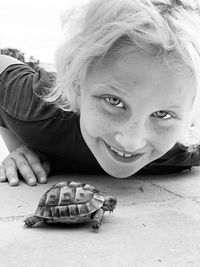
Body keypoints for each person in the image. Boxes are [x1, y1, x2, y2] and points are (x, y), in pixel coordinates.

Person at [1, 0, 200, 187]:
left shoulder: (187, 147)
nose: (131, 142)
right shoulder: (38, 112)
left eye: (162, 114)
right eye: (114, 101)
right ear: (77, 82)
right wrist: (19, 144)